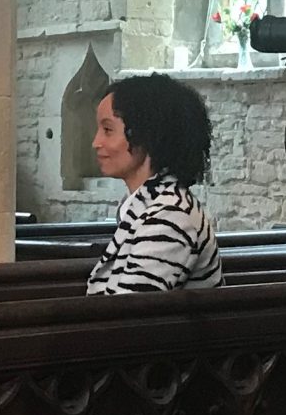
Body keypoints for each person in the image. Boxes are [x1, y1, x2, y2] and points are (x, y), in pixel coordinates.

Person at [86, 73, 226, 296]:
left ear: (147, 135)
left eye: (108, 130)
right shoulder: (152, 204)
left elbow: (127, 317)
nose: (96, 142)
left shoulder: (171, 215)